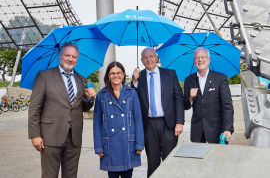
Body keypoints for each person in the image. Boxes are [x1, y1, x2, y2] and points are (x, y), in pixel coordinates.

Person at [28, 42, 96, 178]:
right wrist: (35, 135)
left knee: (71, 175)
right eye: (67, 55)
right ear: (60, 55)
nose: (71, 59)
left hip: (74, 137)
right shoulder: (44, 76)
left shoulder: (81, 79)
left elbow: (82, 107)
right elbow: (34, 108)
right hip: (50, 136)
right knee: (49, 175)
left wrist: (89, 99)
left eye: (74, 56)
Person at [131, 47, 185, 177]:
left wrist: (179, 122)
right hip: (148, 125)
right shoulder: (139, 77)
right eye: (145, 57)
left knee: (169, 161)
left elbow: (178, 99)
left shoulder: (170, 74)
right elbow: (134, 99)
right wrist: (135, 81)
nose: (148, 59)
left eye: (151, 56)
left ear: (157, 58)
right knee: (153, 162)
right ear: (141, 60)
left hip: (169, 124)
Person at [93, 61, 144, 178]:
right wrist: (99, 147)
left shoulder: (131, 93)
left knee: (128, 175)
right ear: (108, 76)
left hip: (128, 143)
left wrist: (139, 144)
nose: (116, 76)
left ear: (123, 75)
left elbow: (138, 119)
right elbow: (97, 123)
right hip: (110, 145)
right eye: (112, 73)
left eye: (119, 73)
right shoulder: (102, 95)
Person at [184, 47, 234, 144]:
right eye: (197, 57)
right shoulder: (189, 80)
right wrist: (190, 97)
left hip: (217, 130)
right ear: (194, 61)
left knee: (218, 158)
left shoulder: (220, 78)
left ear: (209, 60)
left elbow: (227, 106)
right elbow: (185, 106)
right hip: (197, 131)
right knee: (198, 158)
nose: (200, 60)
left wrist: (227, 129)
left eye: (203, 57)